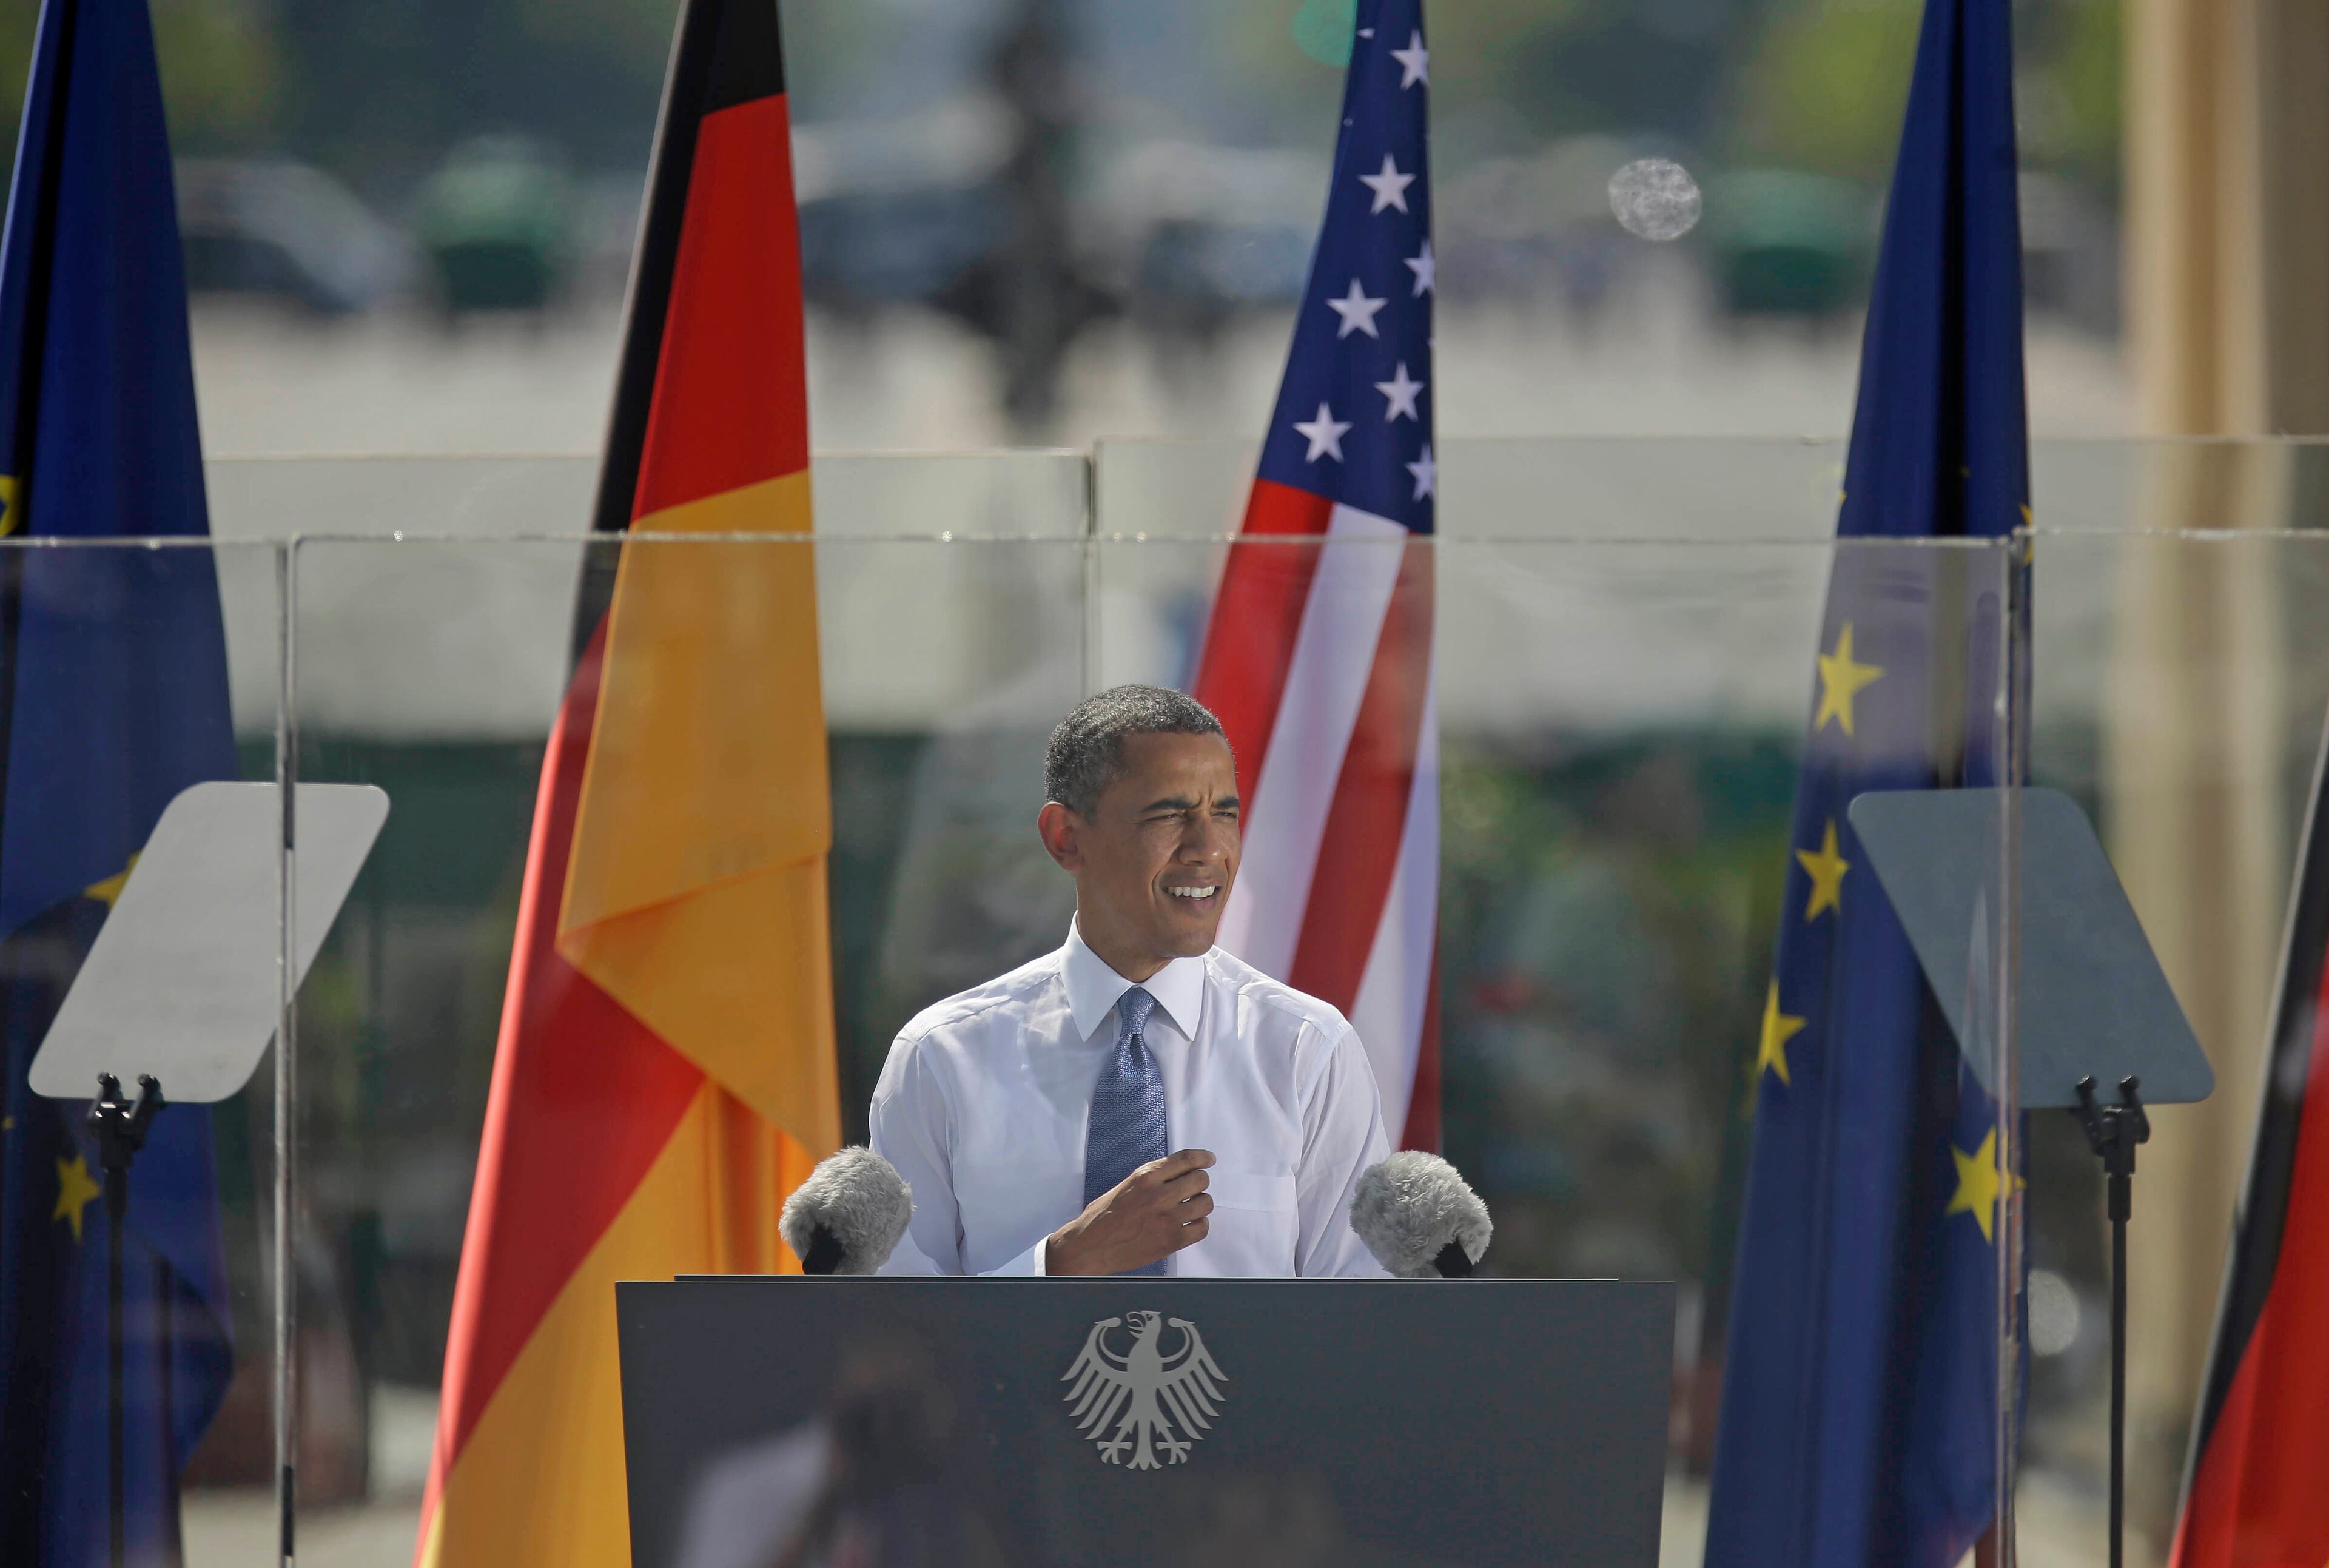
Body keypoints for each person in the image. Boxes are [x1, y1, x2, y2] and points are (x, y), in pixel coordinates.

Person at [870, 685, 1390, 1277]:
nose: (1208, 848)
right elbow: (900, 1330)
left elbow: (1359, 1320)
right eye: (1168, 813)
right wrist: (1064, 1265)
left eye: (1224, 812)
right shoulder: (940, 1057)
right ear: (1065, 837)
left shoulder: (1308, 1049)